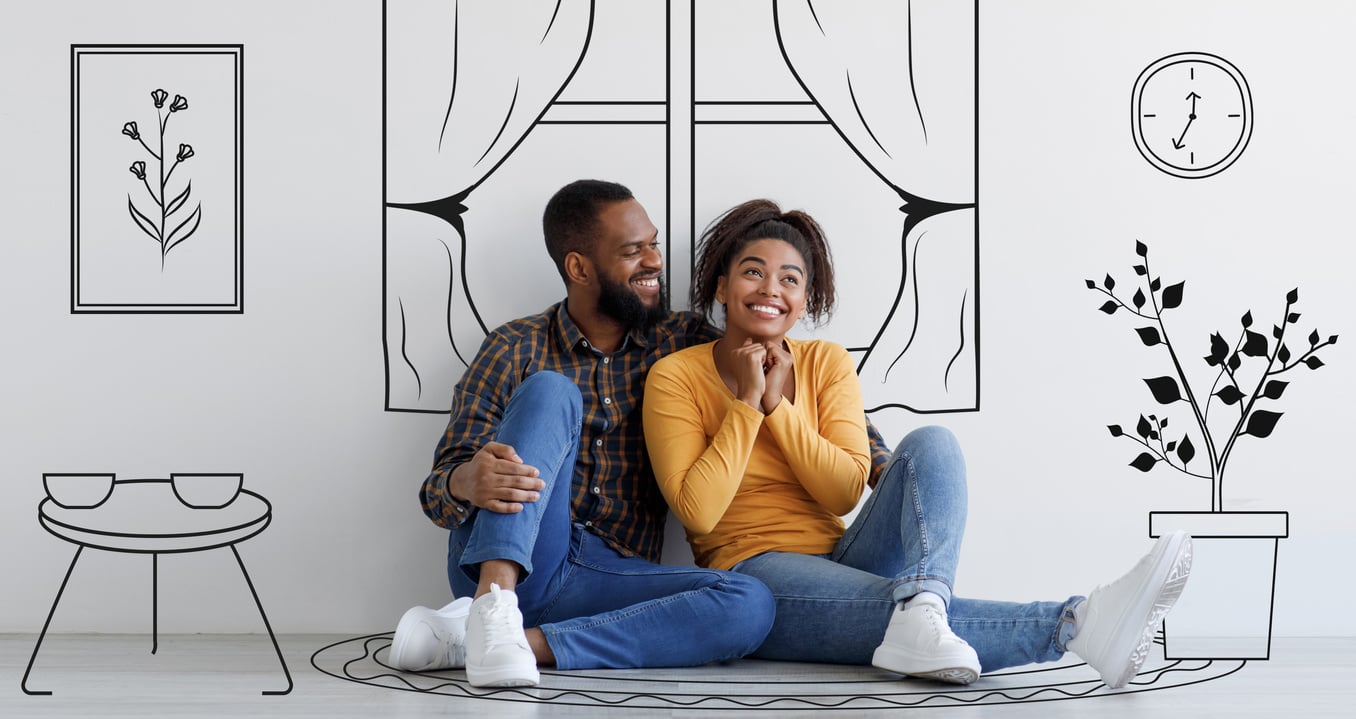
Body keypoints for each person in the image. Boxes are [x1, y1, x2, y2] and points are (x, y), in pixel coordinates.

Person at [642, 199, 1193, 688]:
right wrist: (747, 403)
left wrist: (779, 410)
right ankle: (1081, 624)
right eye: (753, 272)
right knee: (893, 610)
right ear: (722, 287)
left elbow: (842, 493)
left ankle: (925, 601)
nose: (770, 290)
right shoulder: (676, 377)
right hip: (753, 572)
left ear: (804, 299)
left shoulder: (826, 362)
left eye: (789, 279)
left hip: (847, 555)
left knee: (933, 440)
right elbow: (700, 512)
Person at [386, 180, 782, 688]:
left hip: (608, 577)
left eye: (654, 244)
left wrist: (872, 458)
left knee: (749, 603)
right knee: (552, 390)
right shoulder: (514, 346)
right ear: (579, 268)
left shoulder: (685, 343)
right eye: (633, 251)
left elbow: (774, 368)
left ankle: (499, 641)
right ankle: (494, 603)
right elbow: (436, 494)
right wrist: (465, 481)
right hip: (514, 556)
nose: (655, 261)